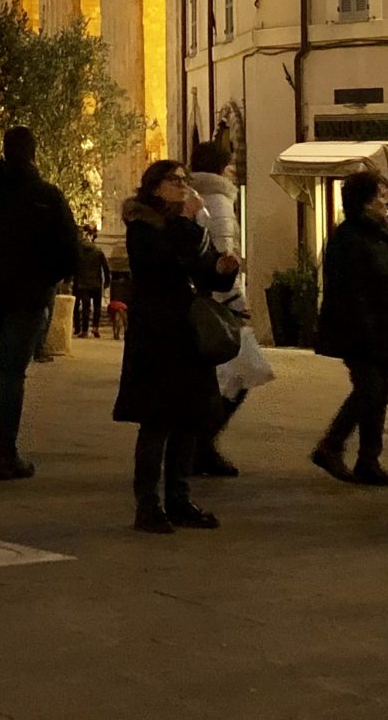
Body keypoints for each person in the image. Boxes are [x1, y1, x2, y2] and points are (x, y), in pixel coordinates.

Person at [0, 125, 80, 480]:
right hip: (27, 295)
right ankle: (4, 450)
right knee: (10, 371)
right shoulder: (45, 196)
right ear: (33, 152)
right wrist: (46, 277)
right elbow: (70, 249)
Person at [115, 159, 239, 533]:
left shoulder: (185, 225)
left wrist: (222, 268)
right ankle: (148, 505)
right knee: (157, 422)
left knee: (189, 419)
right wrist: (190, 220)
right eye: (175, 180)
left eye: (186, 180)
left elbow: (202, 270)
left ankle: (180, 499)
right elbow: (168, 261)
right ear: (155, 188)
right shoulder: (143, 227)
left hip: (188, 335)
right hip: (157, 335)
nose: (183, 185)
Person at [312, 172, 388, 486]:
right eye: (381, 195)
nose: (387, 201)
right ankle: (331, 445)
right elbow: (350, 291)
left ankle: (369, 459)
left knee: (378, 394)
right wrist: (367, 331)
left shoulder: (377, 234)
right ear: (364, 202)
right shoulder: (349, 237)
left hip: (384, 327)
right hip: (361, 331)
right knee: (370, 390)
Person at [183, 140, 250, 476]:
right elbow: (225, 255)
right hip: (221, 304)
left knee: (219, 379)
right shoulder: (220, 202)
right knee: (239, 375)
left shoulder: (192, 197)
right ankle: (201, 445)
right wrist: (236, 300)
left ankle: (198, 446)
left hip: (200, 300)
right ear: (222, 168)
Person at [72, 233, 108, 339]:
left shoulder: (79, 253)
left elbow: (74, 267)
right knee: (97, 307)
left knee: (85, 307)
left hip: (83, 284)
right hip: (96, 283)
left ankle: (84, 330)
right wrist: (107, 282)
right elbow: (105, 268)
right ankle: (95, 327)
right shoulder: (98, 251)